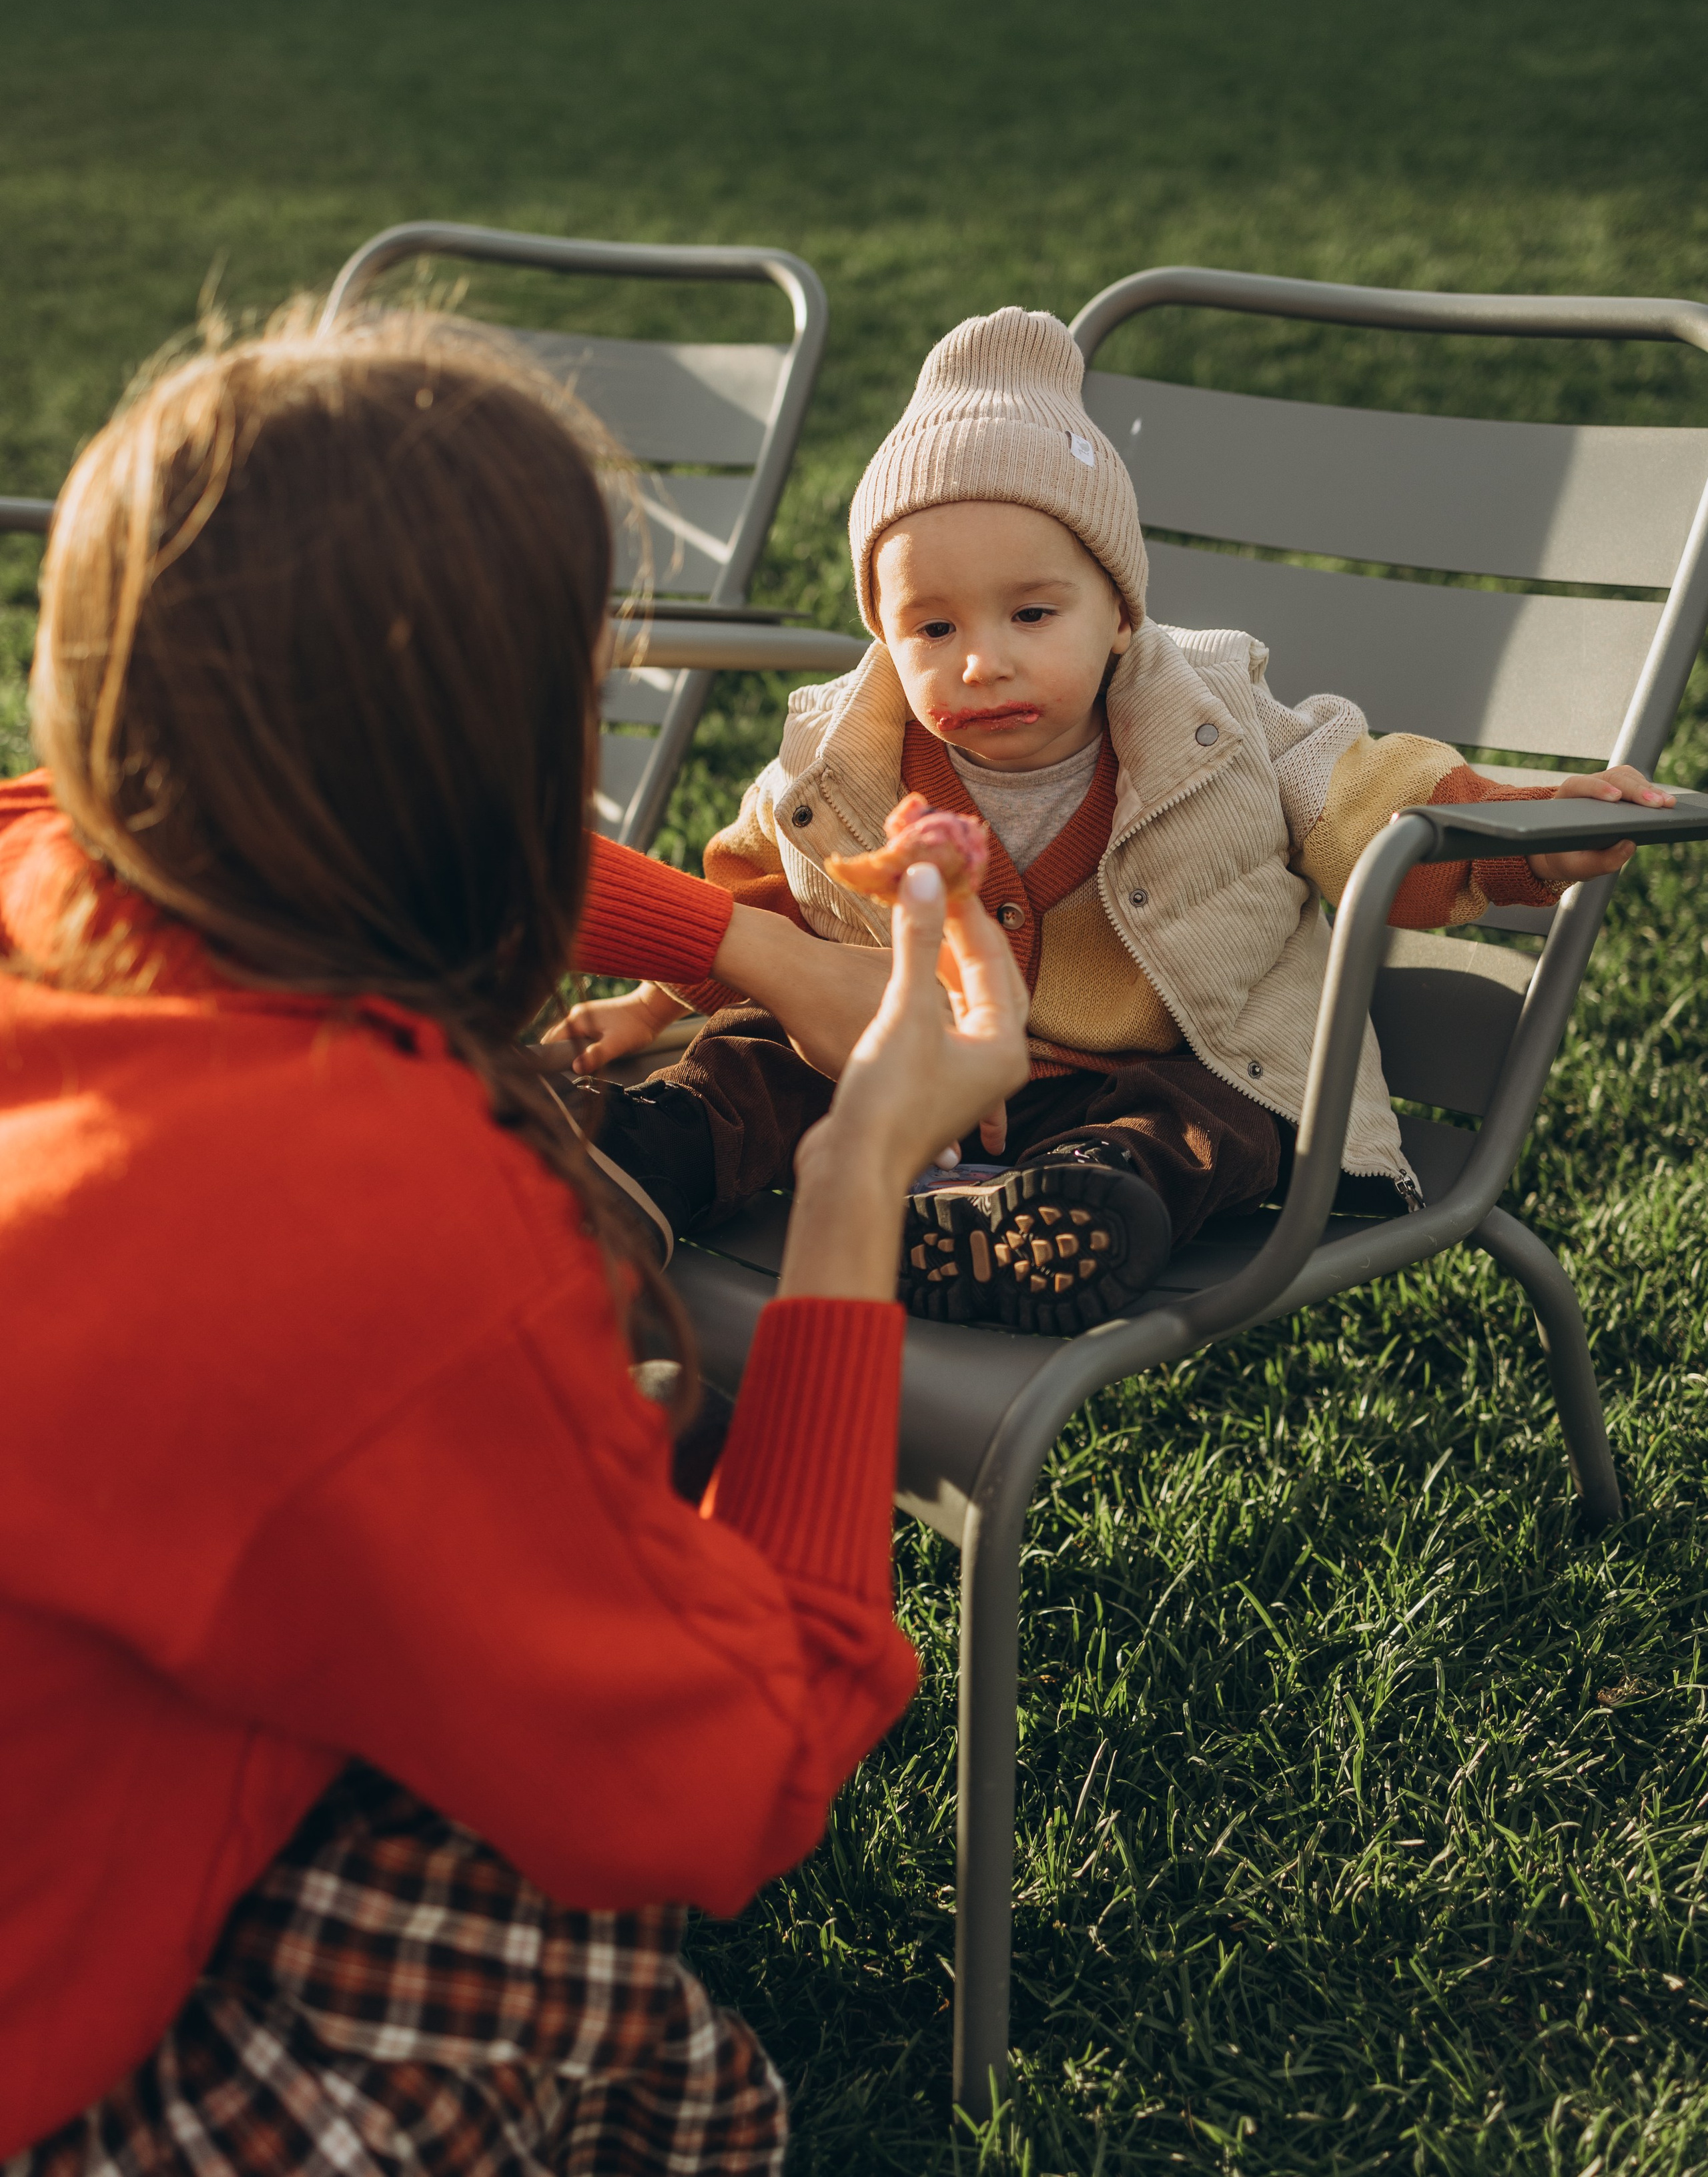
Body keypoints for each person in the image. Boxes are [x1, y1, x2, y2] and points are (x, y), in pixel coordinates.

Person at [0, 312, 1028, 2171]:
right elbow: (735, 1773)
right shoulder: (374, 1222)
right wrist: (863, 1164)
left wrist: (749, 950)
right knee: (543, 1937)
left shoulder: (37, 878)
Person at [562, 306, 1673, 1336]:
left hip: (1156, 1064)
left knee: (1212, 1121)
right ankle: (627, 1159)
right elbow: (757, 898)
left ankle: (1060, 1220)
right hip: (909, 1071)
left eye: (1032, 612)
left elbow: (1365, 798)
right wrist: (654, 999)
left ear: (1118, 613)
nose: (982, 658)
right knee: (753, 1060)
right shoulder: (842, 756)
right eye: (932, 627)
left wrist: (1535, 833)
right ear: (884, 635)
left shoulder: (1219, 715)